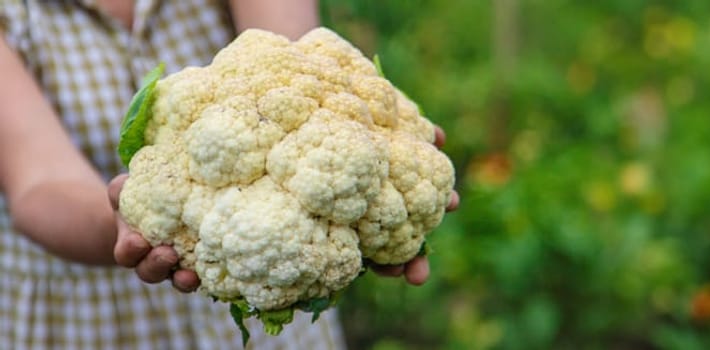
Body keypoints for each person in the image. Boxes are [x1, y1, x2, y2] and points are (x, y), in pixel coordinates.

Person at [0, 0, 450, 348]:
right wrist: (129, 221)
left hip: (269, 269)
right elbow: (40, 181)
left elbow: (300, 62)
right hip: (86, 321)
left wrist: (366, 158)